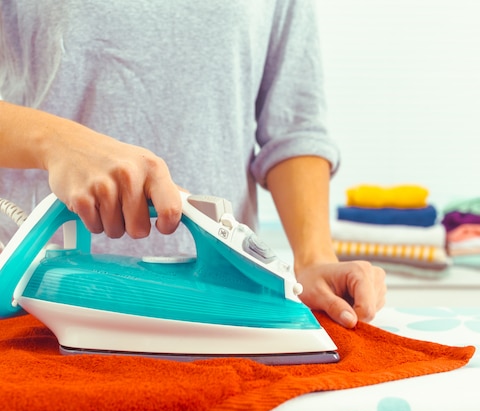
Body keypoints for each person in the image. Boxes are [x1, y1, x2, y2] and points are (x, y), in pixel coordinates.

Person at [0, 1, 386, 328]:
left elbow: (294, 125)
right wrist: (57, 142)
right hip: (29, 302)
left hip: (223, 299)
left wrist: (314, 259)